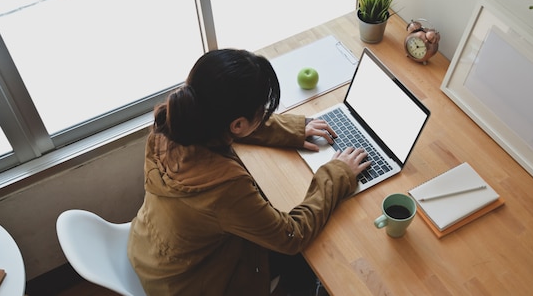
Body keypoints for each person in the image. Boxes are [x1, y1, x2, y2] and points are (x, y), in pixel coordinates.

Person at [127, 49, 370, 296]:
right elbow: (291, 235)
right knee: (310, 258)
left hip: (150, 251)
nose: (264, 113)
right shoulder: (225, 188)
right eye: (261, 110)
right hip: (191, 284)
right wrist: (337, 173)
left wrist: (295, 128)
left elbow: (228, 125)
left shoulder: (170, 125)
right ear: (238, 124)